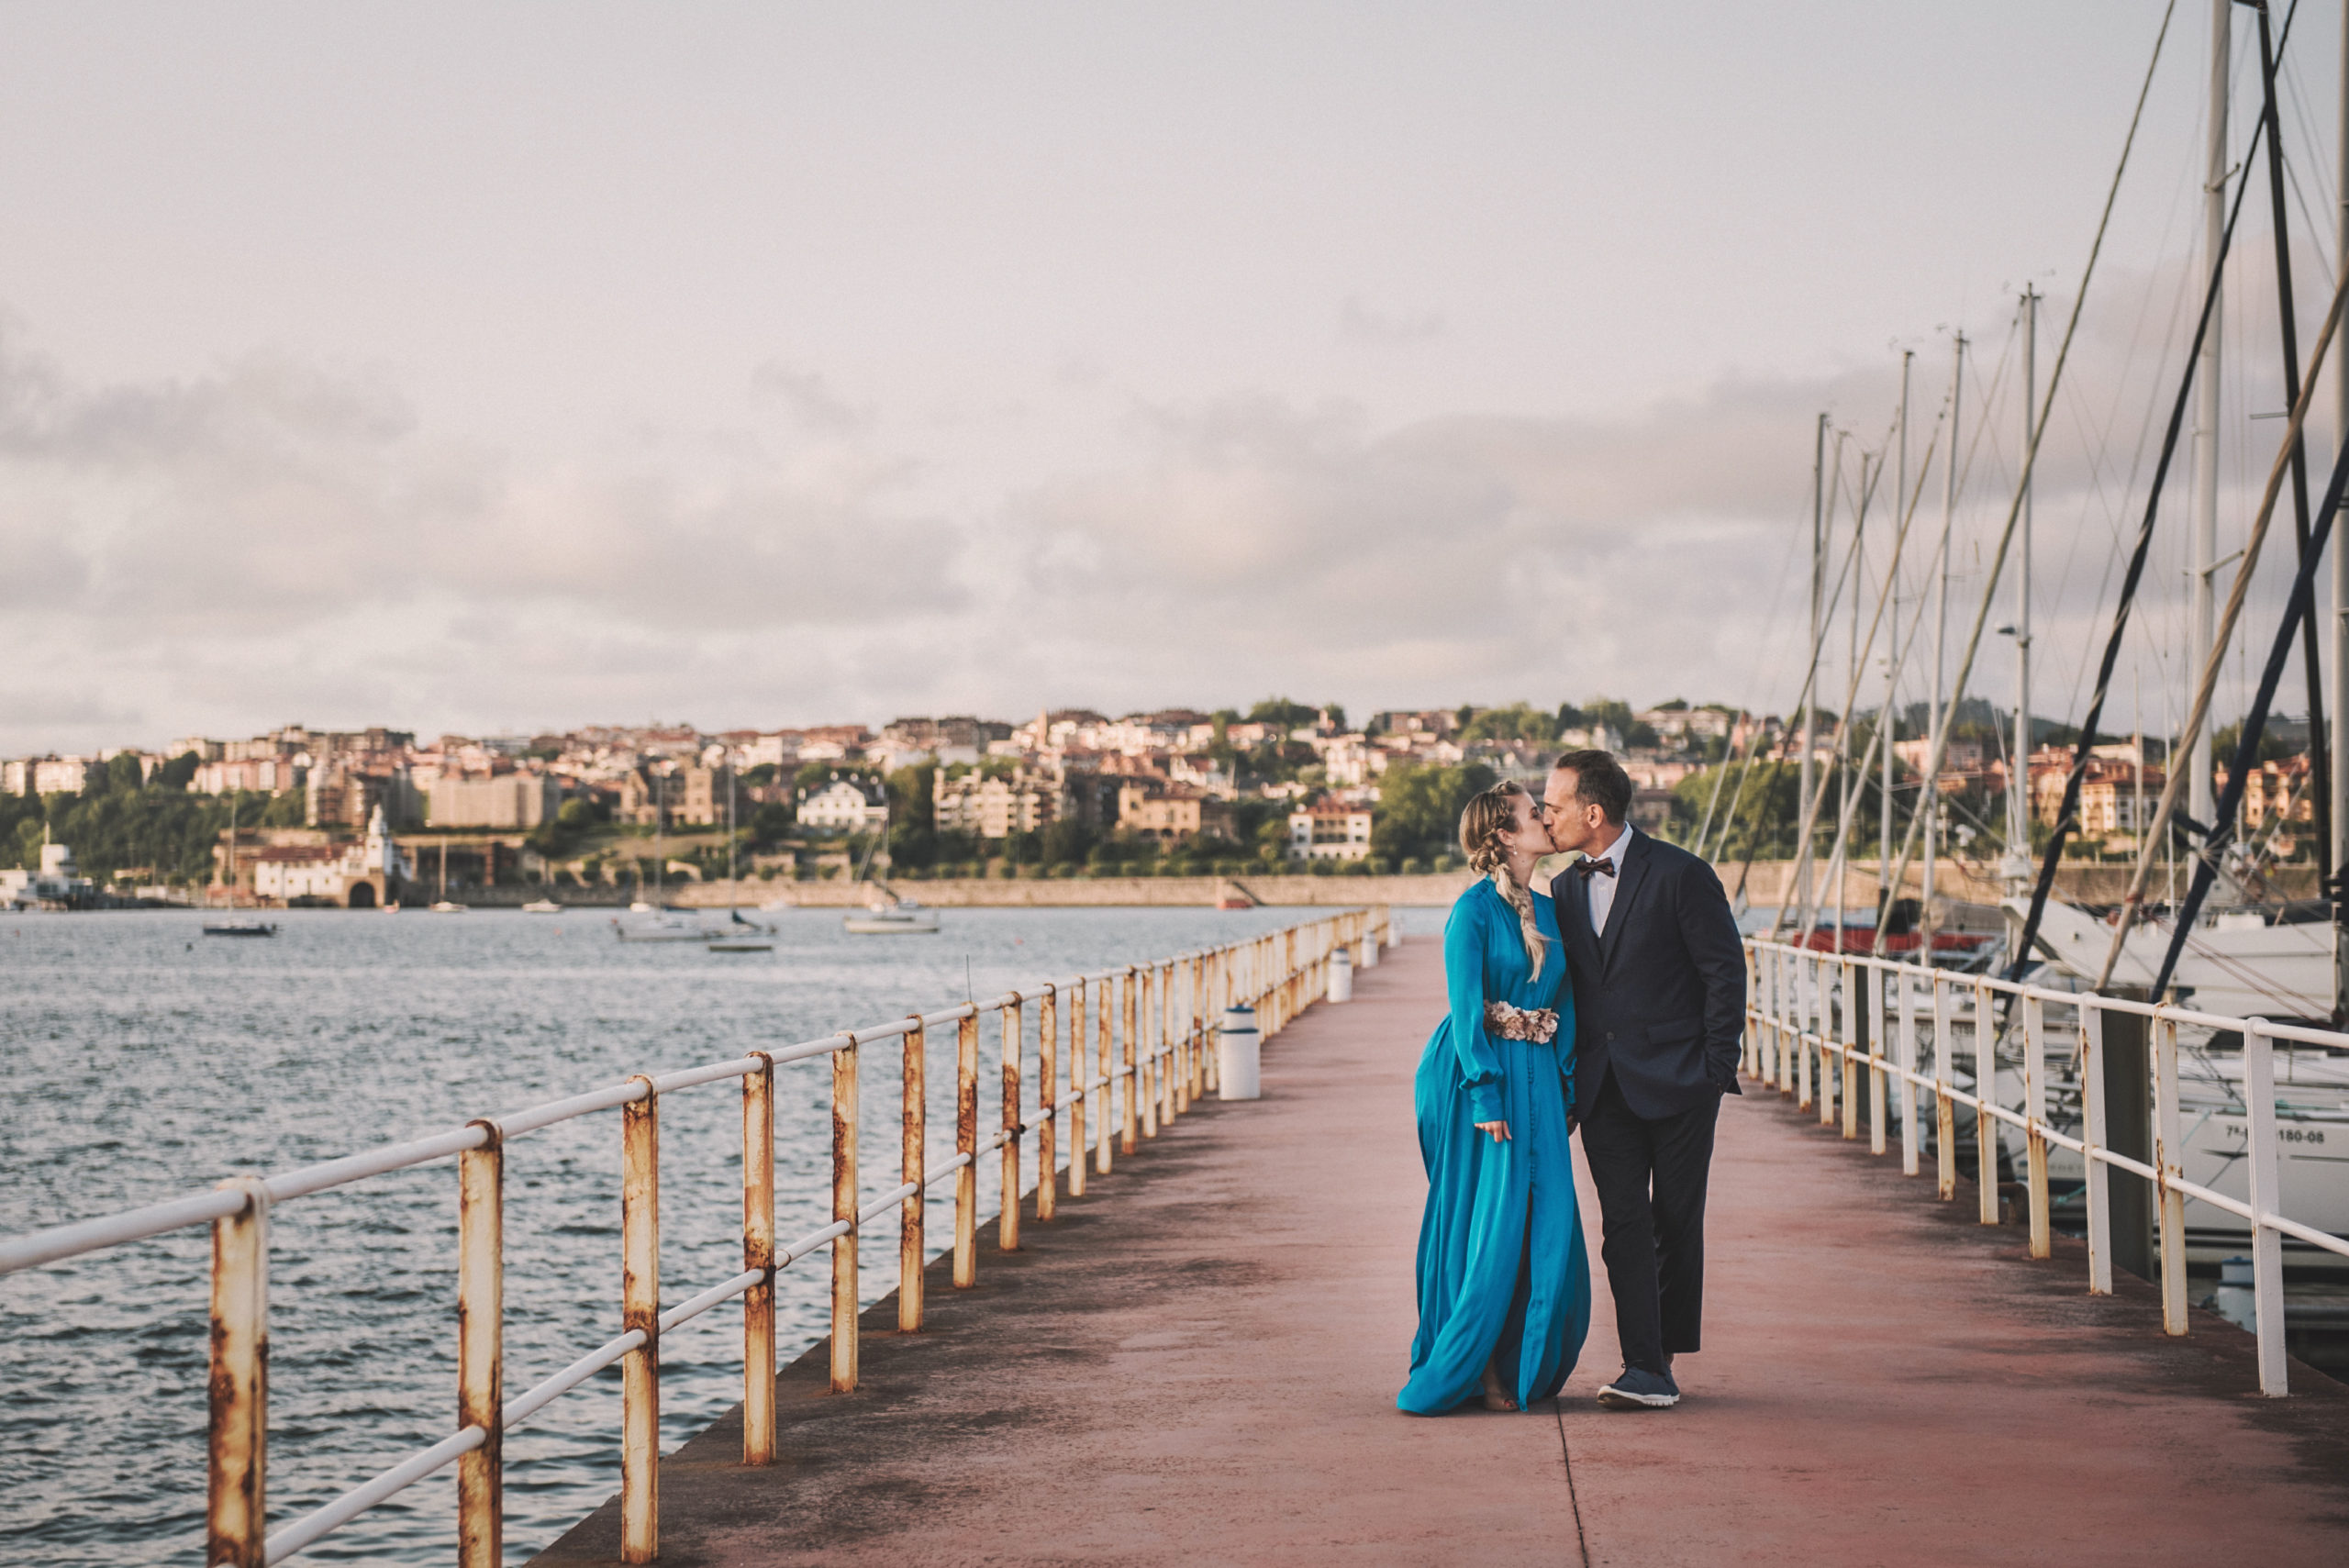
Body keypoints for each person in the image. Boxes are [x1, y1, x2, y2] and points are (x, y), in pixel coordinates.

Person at [1543, 749, 1745, 1411]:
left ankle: (1664, 1348)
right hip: (1603, 1087)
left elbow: (1724, 972)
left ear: (1593, 812)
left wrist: (1716, 1068)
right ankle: (1646, 1366)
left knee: (1676, 1221)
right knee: (1623, 1222)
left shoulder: (1682, 875)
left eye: (1555, 805)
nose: (1547, 817)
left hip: (1684, 1079)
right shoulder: (1565, 887)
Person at [1398, 780, 1592, 1414]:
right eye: (1534, 814)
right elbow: (1463, 1009)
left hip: (1540, 1079)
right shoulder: (1472, 911)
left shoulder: (1552, 907)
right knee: (1491, 1225)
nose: (1545, 819)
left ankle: (1525, 1356)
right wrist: (1485, 1095)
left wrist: (1567, 1086)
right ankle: (1477, 1363)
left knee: (1552, 1223)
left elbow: (1564, 1002)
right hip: (1484, 1082)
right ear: (1505, 835)